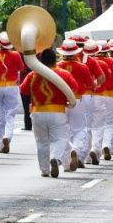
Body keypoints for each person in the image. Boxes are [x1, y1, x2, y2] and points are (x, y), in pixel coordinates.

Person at [21, 47, 79, 177]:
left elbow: (23, 90)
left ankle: (45, 170)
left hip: (37, 112)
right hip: (57, 112)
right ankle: (56, 158)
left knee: (41, 142)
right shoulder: (63, 74)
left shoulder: (33, 74)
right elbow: (74, 88)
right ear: (55, 59)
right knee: (60, 138)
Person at [58, 39, 93, 172]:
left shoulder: (58, 66)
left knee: (62, 130)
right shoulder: (82, 66)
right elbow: (90, 83)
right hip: (78, 100)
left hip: (62, 102)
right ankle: (76, 149)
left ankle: (66, 157)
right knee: (80, 129)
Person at [0, 33, 24, 153]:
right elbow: (21, 68)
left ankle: (1, 143)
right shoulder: (15, 54)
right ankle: (7, 136)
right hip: (11, 86)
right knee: (10, 115)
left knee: (0, 116)